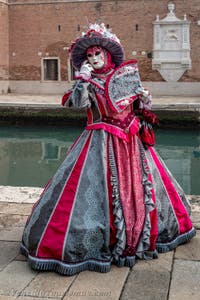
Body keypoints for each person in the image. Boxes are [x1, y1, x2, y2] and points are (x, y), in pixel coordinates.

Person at [20, 23, 195, 276]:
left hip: (131, 143)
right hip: (99, 144)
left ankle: (140, 238)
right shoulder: (87, 82)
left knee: (144, 190)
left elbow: (133, 105)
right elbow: (77, 105)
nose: (94, 58)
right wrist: (82, 80)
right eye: (90, 55)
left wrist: (144, 99)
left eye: (97, 54)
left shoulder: (124, 77)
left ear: (107, 54)